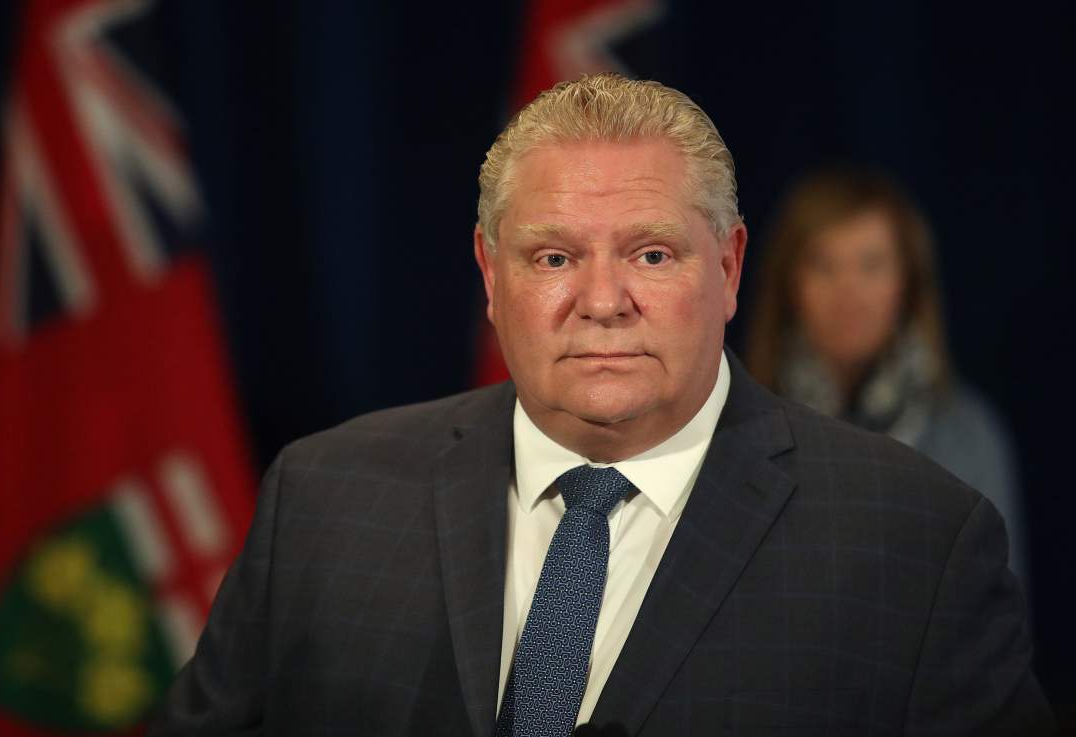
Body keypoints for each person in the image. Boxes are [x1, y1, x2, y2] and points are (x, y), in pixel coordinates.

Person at [149, 74, 1052, 736]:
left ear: (730, 268)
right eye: (553, 257)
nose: (604, 298)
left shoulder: (917, 541)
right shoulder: (326, 497)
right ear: (489, 276)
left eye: (653, 254)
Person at [745, 168, 1030, 581]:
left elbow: (995, 619)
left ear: (907, 283)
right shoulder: (738, 426)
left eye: (871, 264)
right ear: (790, 284)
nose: (849, 291)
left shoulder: (967, 435)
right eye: (824, 265)